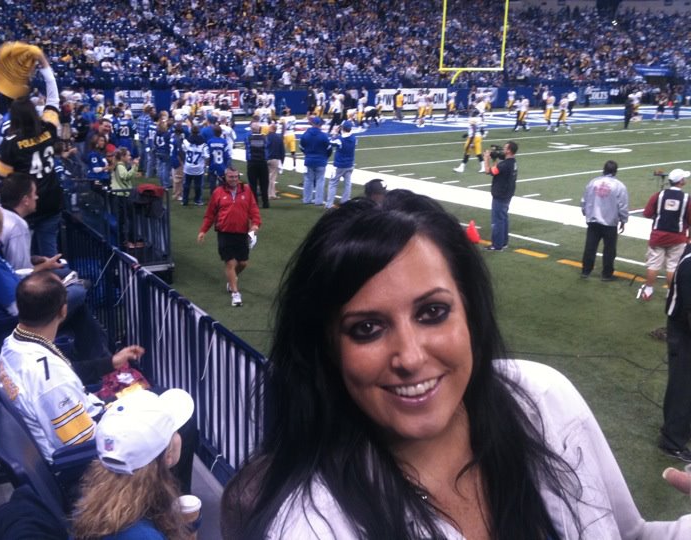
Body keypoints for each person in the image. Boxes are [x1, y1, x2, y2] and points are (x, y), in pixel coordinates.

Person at [221, 191, 691, 538]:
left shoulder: (545, 399)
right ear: (326, 348)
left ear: (470, 312)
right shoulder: (313, 526)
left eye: (433, 312)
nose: (410, 358)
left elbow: (628, 535)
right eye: (366, 328)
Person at [0, 271, 144, 462]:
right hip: (88, 458)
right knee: (173, 420)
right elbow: (83, 445)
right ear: (63, 310)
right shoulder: (52, 382)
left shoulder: (12, 343)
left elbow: (63, 373)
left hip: (83, 424)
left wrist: (111, 362)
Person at [72, 389, 194, 540]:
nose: (178, 435)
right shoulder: (145, 536)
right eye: (175, 431)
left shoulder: (88, 505)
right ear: (167, 456)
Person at [0, 54, 64, 258]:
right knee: (50, 254)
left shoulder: (11, 144)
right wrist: (45, 67)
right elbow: (53, 99)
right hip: (52, 200)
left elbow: (1, 176)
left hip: (26, 204)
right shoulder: (48, 128)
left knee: (24, 258)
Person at [197, 167, 261, 307]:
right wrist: (203, 231)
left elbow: (254, 209)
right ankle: (235, 294)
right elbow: (210, 214)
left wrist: (256, 224)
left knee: (243, 263)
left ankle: (232, 280)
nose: (233, 179)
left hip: (242, 233)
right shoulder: (218, 192)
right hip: (224, 233)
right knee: (230, 263)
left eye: (236, 176)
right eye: (231, 177)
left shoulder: (246, 190)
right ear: (225, 177)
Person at [637, 168, 691, 301]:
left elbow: (647, 213)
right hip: (677, 237)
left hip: (658, 236)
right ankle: (670, 293)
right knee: (672, 266)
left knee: (653, 264)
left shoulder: (658, 195)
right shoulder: (687, 198)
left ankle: (648, 290)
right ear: (681, 181)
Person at [660, 243, 691, 462]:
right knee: (683, 386)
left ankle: (683, 428)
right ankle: (672, 441)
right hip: (683, 330)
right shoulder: (690, 264)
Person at [580, 160, 629, 280]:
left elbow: (584, 200)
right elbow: (622, 205)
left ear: (604, 170)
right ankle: (606, 274)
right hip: (610, 222)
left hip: (593, 220)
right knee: (609, 250)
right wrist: (623, 220)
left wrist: (586, 212)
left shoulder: (593, 182)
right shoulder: (619, 186)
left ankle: (586, 270)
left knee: (590, 247)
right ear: (615, 171)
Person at [483, 141, 518, 251]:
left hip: (500, 194)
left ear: (509, 150)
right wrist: (495, 159)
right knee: (503, 218)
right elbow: (497, 169)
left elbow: (488, 171)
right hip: (507, 193)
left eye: (505, 148)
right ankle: (503, 242)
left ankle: (497, 245)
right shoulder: (513, 162)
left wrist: (486, 158)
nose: (503, 149)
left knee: (497, 220)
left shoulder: (504, 165)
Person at [299, 116, 330, 206]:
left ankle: (306, 199)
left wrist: (307, 154)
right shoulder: (323, 136)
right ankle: (318, 201)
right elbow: (329, 149)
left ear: (312, 123)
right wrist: (325, 157)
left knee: (308, 180)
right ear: (320, 124)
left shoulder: (306, 134)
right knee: (320, 181)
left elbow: (301, 147)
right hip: (321, 161)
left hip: (309, 160)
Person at [325, 121, 356, 209]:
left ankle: (329, 204)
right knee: (347, 184)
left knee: (333, 183)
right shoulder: (354, 138)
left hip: (339, 165)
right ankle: (345, 202)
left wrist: (334, 132)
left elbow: (330, 142)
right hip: (349, 164)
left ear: (342, 128)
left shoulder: (340, 139)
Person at [245, 123, 270, 208]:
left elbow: (247, 145)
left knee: (253, 184)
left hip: (252, 162)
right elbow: (267, 146)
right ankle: (265, 203)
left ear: (251, 129)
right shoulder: (264, 138)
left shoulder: (248, 138)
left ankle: (254, 203)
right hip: (262, 162)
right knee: (264, 184)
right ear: (260, 129)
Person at [265, 123, 284, 201]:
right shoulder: (278, 138)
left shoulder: (265, 137)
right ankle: (271, 194)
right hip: (275, 159)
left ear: (271, 129)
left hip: (265, 159)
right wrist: (282, 161)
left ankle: (267, 193)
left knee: (266, 177)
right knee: (272, 178)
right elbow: (282, 151)